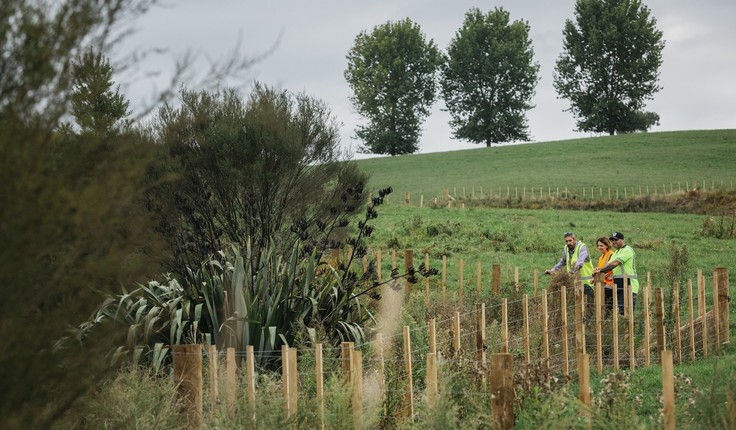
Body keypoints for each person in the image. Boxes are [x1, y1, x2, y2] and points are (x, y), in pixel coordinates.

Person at [593, 231, 639, 315]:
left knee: (627, 313)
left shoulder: (627, 250)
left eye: (616, 240)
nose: (614, 242)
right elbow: (607, 267)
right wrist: (597, 271)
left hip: (629, 284)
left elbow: (613, 264)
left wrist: (600, 270)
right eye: (612, 240)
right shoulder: (616, 253)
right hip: (619, 284)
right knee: (622, 312)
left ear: (622, 240)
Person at [544, 232, 595, 296]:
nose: (568, 243)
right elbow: (562, 262)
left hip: (587, 283)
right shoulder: (566, 248)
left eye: (570, 240)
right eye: (566, 241)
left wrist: (570, 273)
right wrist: (552, 270)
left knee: (589, 304)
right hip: (574, 283)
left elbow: (580, 263)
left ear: (574, 240)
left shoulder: (582, 247)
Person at [594, 236, 615, 312]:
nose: (599, 247)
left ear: (607, 245)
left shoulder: (611, 255)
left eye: (601, 245)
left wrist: (602, 276)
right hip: (603, 284)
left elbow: (612, 269)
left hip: (610, 285)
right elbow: (601, 269)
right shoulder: (601, 257)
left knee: (608, 306)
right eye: (598, 246)